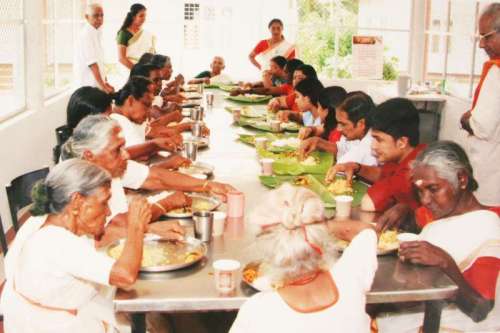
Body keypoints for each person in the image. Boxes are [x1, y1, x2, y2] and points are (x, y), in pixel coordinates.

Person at [0, 159, 150, 332]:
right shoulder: (55, 241)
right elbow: (125, 276)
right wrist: (136, 227)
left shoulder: (56, 228)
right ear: (77, 201)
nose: (108, 211)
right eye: (103, 202)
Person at [377, 141, 500, 333]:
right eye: (419, 191)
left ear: (461, 179)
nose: (425, 200)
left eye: (433, 189)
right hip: (420, 312)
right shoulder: (442, 216)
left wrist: (444, 263)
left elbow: (480, 310)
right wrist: (405, 210)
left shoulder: (488, 225)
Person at [230, 183, 378, 333]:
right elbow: (367, 232)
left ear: (266, 248)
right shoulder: (350, 277)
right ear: (320, 236)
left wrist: (303, 226)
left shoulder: (258, 311)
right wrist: (316, 225)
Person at [61, 115, 235, 235]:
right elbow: (108, 230)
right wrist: (164, 205)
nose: (126, 154)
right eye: (117, 150)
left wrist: (207, 186)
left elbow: (154, 177)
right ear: (89, 155)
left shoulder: (107, 165)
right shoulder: (75, 186)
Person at [328, 98, 426, 229]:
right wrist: (356, 167)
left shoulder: (411, 172)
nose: (373, 146)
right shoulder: (407, 154)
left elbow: (368, 204)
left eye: (379, 140)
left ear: (402, 142)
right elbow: (383, 174)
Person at [460, 3, 500, 207]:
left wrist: (466, 119)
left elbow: (482, 126)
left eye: (487, 37)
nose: (482, 45)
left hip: (491, 183)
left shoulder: (497, 72)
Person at [300, 91, 377, 166]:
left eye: (343, 124)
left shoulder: (371, 149)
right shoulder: (357, 135)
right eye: (338, 123)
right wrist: (318, 142)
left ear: (361, 124)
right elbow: (343, 148)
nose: (339, 129)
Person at [74, 3, 114, 93]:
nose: (100, 18)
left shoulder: (96, 32)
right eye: (96, 15)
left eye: (102, 15)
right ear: (87, 17)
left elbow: (99, 63)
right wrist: (103, 86)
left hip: (95, 84)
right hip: (88, 85)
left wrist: (105, 82)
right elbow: (93, 64)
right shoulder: (86, 35)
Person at [116, 3, 156, 70]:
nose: (144, 19)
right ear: (133, 17)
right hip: (129, 70)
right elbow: (121, 58)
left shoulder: (147, 34)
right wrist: (138, 71)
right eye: (141, 16)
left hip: (145, 69)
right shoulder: (124, 33)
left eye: (145, 16)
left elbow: (152, 53)